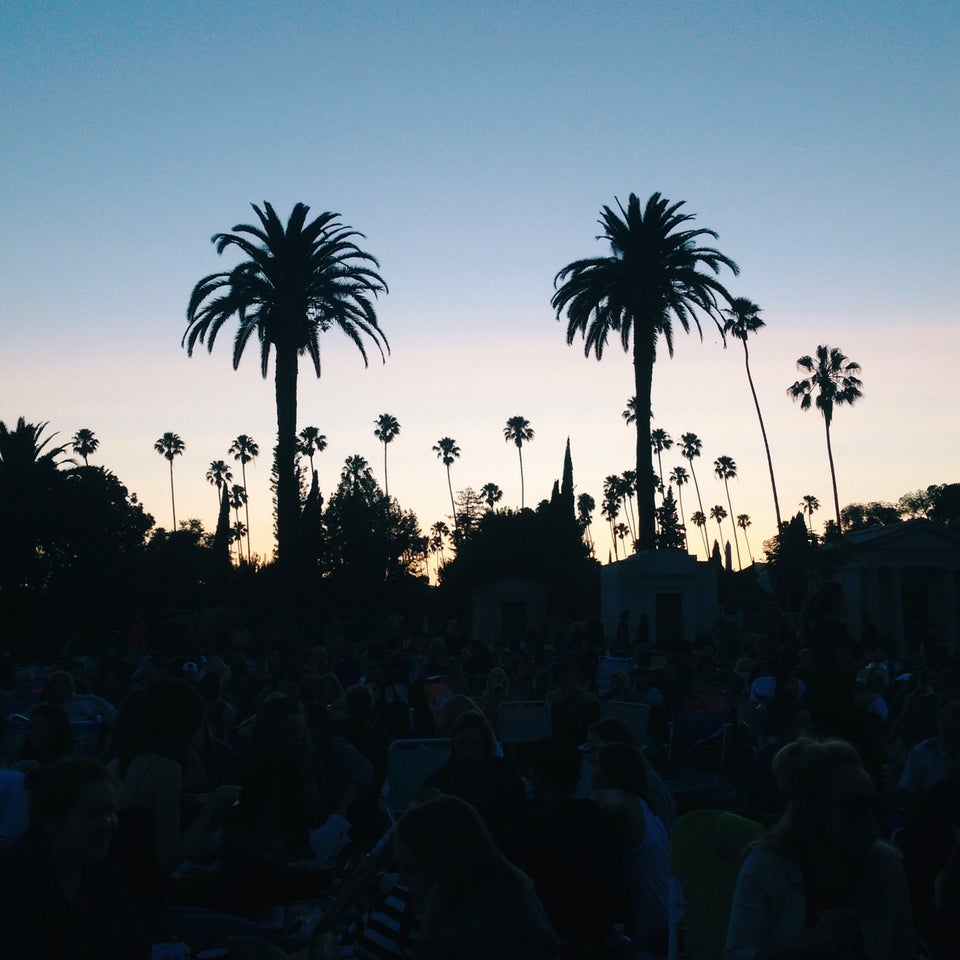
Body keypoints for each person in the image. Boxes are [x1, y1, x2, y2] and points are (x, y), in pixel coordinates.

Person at [725, 737, 916, 960]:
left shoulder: (886, 864)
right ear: (812, 812)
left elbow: (904, 951)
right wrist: (802, 946)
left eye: (875, 805)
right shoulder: (767, 867)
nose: (871, 819)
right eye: (855, 807)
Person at [0, 758, 148, 959]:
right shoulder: (15, 883)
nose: (107, 823)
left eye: (111, 811)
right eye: (91, 815)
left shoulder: (103, 871)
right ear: (52, 822)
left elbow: (133, 944)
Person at [392, 795, 557, 960]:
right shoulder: (519, 897)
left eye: (409, 868)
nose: (401, 880)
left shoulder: (448, 944)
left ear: (441, 866)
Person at [592, 741, 670, 953]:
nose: (592, 773)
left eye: (597, 766)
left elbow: (609, 800)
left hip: (655, 918)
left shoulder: (625, 802)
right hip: (667, 908)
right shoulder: (645, 806)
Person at [423, 709, 527, 840]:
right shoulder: (438, 781)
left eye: (473, 743)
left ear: (486, 745)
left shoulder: (505, 775)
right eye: (461, 743)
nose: (467, 750)